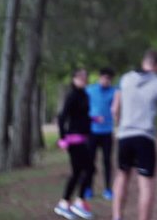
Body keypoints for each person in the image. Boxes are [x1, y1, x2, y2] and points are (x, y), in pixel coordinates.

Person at [111, 49, 157, 220]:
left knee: (122, 175)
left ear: (144, 61)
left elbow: (114, 108)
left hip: (124, 135)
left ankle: (117, 216)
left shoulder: (125, 79)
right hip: (145, 138)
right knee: (146, 184)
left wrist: (119, 125)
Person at [54, 68, 95, 220]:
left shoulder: (84, 95)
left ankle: (73, 202)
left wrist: (92, 119)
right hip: (73, 139)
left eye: (85, 76)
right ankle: (67, 203)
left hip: (83, 137)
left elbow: (81, 116)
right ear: (74, 79)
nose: (84, 79)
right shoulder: (72, 96)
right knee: (85, 170)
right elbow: (62, 117)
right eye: (80, 76)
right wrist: (62, 138)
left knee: (83, 171)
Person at [84, 67, 117, 200]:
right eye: (104, 78)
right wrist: (92, 118)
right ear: (100, 77)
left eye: (109, 79)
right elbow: (83, 110)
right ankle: (88, 188)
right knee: (90, 161)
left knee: (107, 161)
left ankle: (108, 189)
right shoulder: (89, 91)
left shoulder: (114, 92)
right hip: (92, 132)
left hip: (107, 132)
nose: (106, 81)